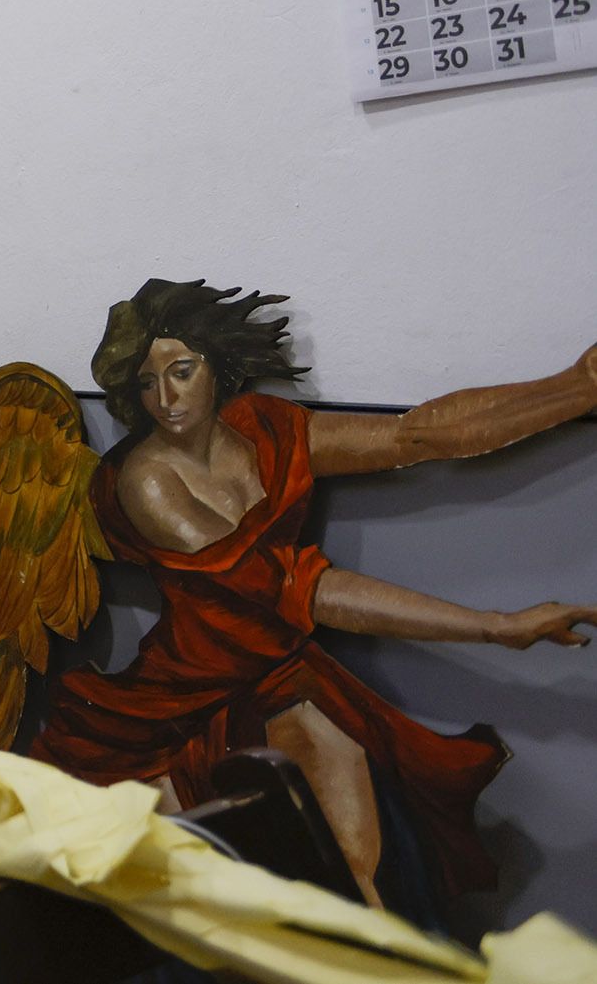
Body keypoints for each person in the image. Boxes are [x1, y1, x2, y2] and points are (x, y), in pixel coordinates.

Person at [30, 279, 597, 911]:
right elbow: (299, 589)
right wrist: (495, 626)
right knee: (200, 906)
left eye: (181, 372)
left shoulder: (266, 427)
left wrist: (576, 387)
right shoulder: (147, 481)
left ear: (216, 368)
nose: (165, 399)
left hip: (281, 673)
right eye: (145, 383)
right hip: (177, 706)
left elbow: (415, 437)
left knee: (354, 870)